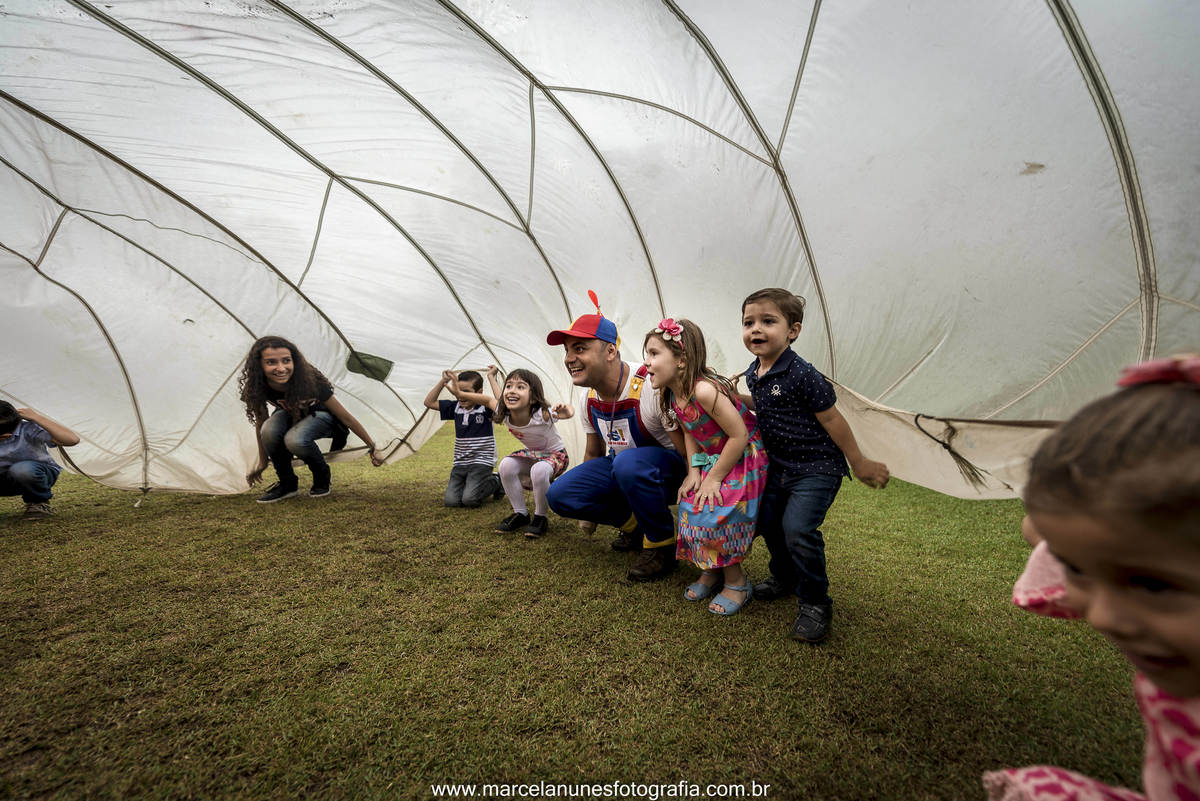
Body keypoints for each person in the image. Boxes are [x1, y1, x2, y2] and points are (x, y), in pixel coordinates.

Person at [982, 355, 1200, 801]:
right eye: (1077, 568)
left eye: (1155, 586)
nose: (1102, 617)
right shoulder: (1126, 555)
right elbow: (1038, 530)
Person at [737, 288, 889, 643]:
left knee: (798, 530)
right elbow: (767, 405)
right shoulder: (753, 372)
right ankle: (786, 577)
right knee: (769, 524)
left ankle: (815, 603)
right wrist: (737, 398)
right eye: (749, 322)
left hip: (817, 468)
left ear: (793, 331)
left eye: (767, 321)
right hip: (779, 467)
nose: (756, 329)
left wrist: (859, 460)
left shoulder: (803, 374)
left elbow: (833, 419)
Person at [545, 296, 687, 581]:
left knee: (628, 464)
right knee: (559, 495)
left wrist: (695, 489)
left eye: (580, 348)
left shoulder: (650, 386)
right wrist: (587, 509)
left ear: (610, 351)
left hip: (669, 473)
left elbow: (685, 451)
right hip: (625, 469)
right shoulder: (588, 398)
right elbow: (594, 455)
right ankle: (635, 527)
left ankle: (662, 543)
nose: (569, 358)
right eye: (567, 350)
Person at [643, 318, 768, 615]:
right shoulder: (674, 395)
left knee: (717, 506)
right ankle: (710, 569)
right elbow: (690, 431)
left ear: (681, 360)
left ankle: (737, 581)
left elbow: (738, 435)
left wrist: (714, 478)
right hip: (715, 456)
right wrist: (694, 472)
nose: (646, 362)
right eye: (646, 354)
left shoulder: (704, 391)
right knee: (690, 501)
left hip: (745, 454)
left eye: (653, 353)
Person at [239, 335, 383, 503]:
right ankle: (287, 484)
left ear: (294, 361)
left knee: (294, 439)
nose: (281, 368)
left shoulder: (309, 380)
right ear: (259, 365)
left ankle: (322, 476)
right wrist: (262, 462)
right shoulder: (257, 386)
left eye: (286, 360)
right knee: (269, 429)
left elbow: (345, 417)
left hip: (323, 417)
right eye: (271, 362)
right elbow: (261, 424)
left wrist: (371, 446)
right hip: (290, 416)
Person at [444, 367, 573, 539]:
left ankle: (540, 517)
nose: (512, 391)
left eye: (520, 387)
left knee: (539, 470)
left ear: (533, 397)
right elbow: (487, 399)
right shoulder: (504, 413)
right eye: (509, 386)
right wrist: (459, 392)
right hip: (533, 454)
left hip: (556, 455)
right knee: (506, 465)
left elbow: (568, 411)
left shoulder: (541, 414)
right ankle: (520, 514)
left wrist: (566, 411)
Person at [423, 368, 503, 509]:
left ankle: (497, 481)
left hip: (481, 461)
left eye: (466, 391)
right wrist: (444, 381)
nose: (460, 396)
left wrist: (491, 376)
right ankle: (472, 484)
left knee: (469, 500)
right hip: (460, 462)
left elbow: (502, 405)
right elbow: (429, 402)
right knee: (452, 502)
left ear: (479, 393)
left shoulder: (484, 408)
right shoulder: (455, 408)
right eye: (457, 391)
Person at [0, 402, 80, 519]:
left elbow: (72, 440)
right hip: (4, 479)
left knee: (22, 470)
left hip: (35, 474)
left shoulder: (27, 429)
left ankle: (38, 503)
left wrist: (35, 417)